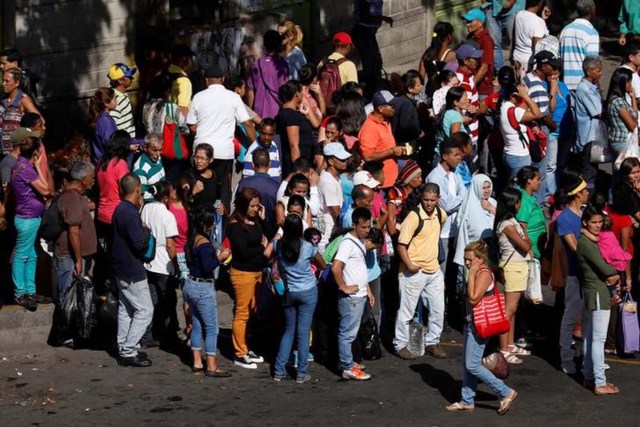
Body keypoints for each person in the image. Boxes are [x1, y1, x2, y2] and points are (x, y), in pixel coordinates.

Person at [446, 240, 518, 415]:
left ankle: (505, 391)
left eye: (470, 259)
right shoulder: (477, 271)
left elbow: (473, 298)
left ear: (480, 259)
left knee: (472, 364)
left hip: (480, 325)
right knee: (467, 363)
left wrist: (471, 274)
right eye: (465, 259)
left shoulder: (483, 274)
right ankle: (467, 400)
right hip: (472, 323)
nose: (467, 263)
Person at [187, 64, 255, 213]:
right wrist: (255, 144)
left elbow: (192, 126)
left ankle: (199, 219)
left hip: (202, 152)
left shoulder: (198, 97)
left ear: (206, 80)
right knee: (224, 189)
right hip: (224, 153)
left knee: (199, 186)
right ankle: (222, 226)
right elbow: (248, 123)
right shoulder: (233, 97)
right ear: (223, 79)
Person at [269, 213, 326, 383]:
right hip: (308, 291)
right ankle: (301, 373)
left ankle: (279, 370)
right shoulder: (308, 246)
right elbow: (322, 264)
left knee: (288, 331)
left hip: (288, 292)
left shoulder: (278, 245)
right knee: (303, 333)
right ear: (301, 229)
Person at [393, 183, 448, 359]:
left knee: (438, 308)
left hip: (433, 270)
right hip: (415, 271)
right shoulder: (413, 217)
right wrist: (409, 265)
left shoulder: (441, 214)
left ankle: (433, 341)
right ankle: (400, 344)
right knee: (406, 311)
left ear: (438, 199)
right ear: (421, 198)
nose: (429, 204)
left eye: (433, 200)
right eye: (426, 200)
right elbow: (401, 245)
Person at [227, 187, 273, 369]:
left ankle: (245, 347)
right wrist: (263, 248)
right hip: (242, 274)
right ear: (244, 205)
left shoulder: (256, 221)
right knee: (242, 313)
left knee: (251, 312)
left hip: (257, 272)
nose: (256, 209)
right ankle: (239, 353)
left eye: (257, 205)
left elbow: (271, 235)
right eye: (253, 206)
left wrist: (263, 218)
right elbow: (243, 251)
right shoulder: (234, 225)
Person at [183, 206, 232, 377]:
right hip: (203, 287)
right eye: (211, 222)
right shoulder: (204, 244)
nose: (213, 226)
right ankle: (211, 365)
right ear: (205, 224)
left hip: (190, 285)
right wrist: (221, 257)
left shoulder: (192, 239)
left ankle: (197, 362)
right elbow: (208, 266)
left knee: (196, 325)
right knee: (211, 328)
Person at [576, 206, 620, 395]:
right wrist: (616, 275)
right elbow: (605, 268)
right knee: (598, 339)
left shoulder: (587, 239)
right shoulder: (586, 243)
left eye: (600, 222)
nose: (597, 226)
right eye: (593, 222)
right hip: (598, 293)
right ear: (585, 222)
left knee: (589, 337)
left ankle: (589, 377)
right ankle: (600, 382)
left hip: (590, 291)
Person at [111, 173, 154, 367]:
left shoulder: (120, 209)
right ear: (137, 190)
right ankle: (128, 350)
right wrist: (146, 230)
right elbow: (138, 243)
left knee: (127, 309)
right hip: (131, 269)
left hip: (121, 267)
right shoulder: (128, 212)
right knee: (145, 310)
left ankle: (124, 347)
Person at [332, 207, 374, 380]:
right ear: (354, 225)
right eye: (363, 227)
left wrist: (368, 290)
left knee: (351, 331)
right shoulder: (347, 243)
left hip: (360, 295)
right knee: (347, 333)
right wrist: (343, 286)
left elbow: (360, 268)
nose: (367, 230)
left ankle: (347, 361)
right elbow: (336, 267)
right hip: (352, 298)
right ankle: (347, 367)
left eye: (368, 227)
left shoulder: (358, 242)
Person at [10, 137, 51, 310]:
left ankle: (30, 290)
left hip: (31, 217)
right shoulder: (26, 169)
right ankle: (20, 293)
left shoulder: (19, 165)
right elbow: (46, 189)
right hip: (27, 219)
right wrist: (38, 166)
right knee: (22, 255)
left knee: (32, 255)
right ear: (35, 152)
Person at [494, 187, 532, 364]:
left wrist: (526, 238)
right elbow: (525, 245)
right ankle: (503, 348)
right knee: (508, 310)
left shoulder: (510, 221)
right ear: (514, 203)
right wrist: (527, 239)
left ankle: (509, 344)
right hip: (513, 267)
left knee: (513, 308)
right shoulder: (508, 225)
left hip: (518, 267)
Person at [140, 181, 179, 348]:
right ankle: (167, 335)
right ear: (165, 197)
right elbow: (170, 243)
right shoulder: (168, 215)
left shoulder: (146, 209)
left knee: (150, 302)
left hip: (147, 263)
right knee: (168, 301)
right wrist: (175, 264)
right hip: (163, 265)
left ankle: (147, 336)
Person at [52, 161, 97, 298]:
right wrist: (78, 260)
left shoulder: (76, 196)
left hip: (75, 258)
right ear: (84, 180)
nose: (94, 181)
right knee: (68, 298)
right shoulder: (72, 198)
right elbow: (73, 231)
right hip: (69, 258)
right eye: (92, 177)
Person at [523, 50, 560, 202]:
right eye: (551, 66)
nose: (554, 69)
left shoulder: (529, 78)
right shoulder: (538, 86)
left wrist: (552, 87)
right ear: (543, 66)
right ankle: (537, 204)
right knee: (540, 173)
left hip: (532, 129)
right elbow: (546, 115)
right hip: (540, 131)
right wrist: (554, 126)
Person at [427, 138, 467, 273]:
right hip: (442, 233)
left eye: (460, 155)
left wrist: (459, 198)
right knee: (441, 273)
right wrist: (461, 197)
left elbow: (465, 194)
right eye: (455, 155)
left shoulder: (455, 175)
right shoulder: (435, 177)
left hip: (456, 230)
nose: (459, 158)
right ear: (445, 156)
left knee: (454, 273)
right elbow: (447, 206)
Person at [358, 90, 405, 189]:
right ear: (380, 108)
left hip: (391, 179)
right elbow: (368, 157)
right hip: (380, 184)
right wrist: (392, 151)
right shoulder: (370, 128)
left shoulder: (386, 121)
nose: (394, 108)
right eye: (391, 106)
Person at [497, 79, 542, 179]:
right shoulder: (513, 111)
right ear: (513, 96)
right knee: (518, 188)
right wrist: (526, 96)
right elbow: (537, 114)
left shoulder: (504, 107)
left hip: (510, 153)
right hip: (519, 156)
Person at [454, 174, 496, 269]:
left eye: (488, 187)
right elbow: (461, 224)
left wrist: (491, 209)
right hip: (474, 250)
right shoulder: (469, 205)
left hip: (492, 248)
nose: (487, 191)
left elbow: (501, 221)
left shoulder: (493, 202)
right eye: (483, 188)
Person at [352, 0, 393, 97]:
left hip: (370, 32)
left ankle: (372, 88)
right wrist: (383, 18)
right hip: (364, 32)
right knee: (370, 66)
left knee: (375, 63)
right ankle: (366, 89)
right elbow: (366, 14)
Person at [96, 131, 131, 244]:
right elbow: (124, 189)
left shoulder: (101, 162)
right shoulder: (120, 164)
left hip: (102, 212)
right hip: (116, 213)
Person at [276, 80, 316, 177]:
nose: (303, 94)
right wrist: (298, 172)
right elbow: (293, 145)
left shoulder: (287, 113)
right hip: (298, 166)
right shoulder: (290, 115)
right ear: (297, 94)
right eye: (301, 91)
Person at [247, 30, 290, 119]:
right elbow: (284, 91)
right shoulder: (282, 65)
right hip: (276, 112)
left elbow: (250, 91)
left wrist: (250, 114)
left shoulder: (256, 64)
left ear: (265, 44)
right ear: (279, 44)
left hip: (258, 113)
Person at [1, 68, 43, 157]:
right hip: (3, 153)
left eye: (7, 81)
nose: (3, 84)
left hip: (17, 155)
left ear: (17, 83)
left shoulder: (23, 100)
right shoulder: (3, 100)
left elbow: (40, 121)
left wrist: (29, 139)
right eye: (3, 80)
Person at [574, 56, 603, 185]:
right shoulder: (584, 89)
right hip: (587, 138)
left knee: (593, 171)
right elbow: (598, 111)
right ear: (589, 72)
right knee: (589, 173)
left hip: (592, 136)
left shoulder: (591, 86)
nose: (600, 73)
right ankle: (585, 199)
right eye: (598, 71)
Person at [559, 0, 599, 91]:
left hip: (564, 84)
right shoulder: (591, 32)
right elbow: (592, 64)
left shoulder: (565, 30)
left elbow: (560, 56)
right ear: (592, 12)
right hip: (583, 85)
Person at [318, 143, 351, 250]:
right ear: (331, 161)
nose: (346, 161)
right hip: (329, 236)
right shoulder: (328, 181)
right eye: (342, 159)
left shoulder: (336, 178)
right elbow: (336, 213)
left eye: (346, 159)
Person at [237, 148, 280, 226]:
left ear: (252, 165)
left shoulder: (243, 183)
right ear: (270, 164)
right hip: (268, 229)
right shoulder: (276, 187)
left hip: (246, 228)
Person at [454, 44, 483, 147]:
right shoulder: (464, 83)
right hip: (469, 135)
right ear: (466, 61)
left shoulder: (466, 76)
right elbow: (466, 112)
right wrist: (478, 109)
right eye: (474, 58)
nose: (477, 60)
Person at [512, 0, 548, 80]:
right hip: (529, 61)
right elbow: (538, 46)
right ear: (540, 3)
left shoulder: (519, 14)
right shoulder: (538, 21)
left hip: (517, 57)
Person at [463, 8, 495, 99]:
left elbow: (485, 67)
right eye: (466, 22)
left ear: (480, 23)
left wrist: (471, 84)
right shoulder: (470, 37)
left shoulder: (486, 41)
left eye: (470, 21)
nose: (467, 24)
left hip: (482, 90)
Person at [606, 67, 638, 157]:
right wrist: (634, 121)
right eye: (629, 82)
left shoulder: (619, 99)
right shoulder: (618, 101)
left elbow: (635, 115)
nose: (631, 85)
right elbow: (632, 125)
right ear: (622, 82)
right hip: (622, 142)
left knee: (619, 168)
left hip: (620, 142)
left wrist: (633, 98)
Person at [515, 166, 547, 258]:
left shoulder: (530, 197)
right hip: (532, 248)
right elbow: (522, 227)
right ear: (529, 180)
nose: (540, 182)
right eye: (538, 179)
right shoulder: (524, 200)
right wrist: (529, 250)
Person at [483, 0, 524, 71]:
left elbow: (508, 4)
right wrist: (485, 6)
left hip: (513, 9)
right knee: (494, 44)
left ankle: (519, 72)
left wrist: (510, 2)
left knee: (516, 42)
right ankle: (501, 74)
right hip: (491, 9)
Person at [386, 159, 422, 238]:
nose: (421, 179)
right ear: (408, 179)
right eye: (418, 177)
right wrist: (395, 238)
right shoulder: (395, 194)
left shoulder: (417, 194)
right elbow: (390, 219)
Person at [418, 22, 456, 95]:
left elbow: (421, 77)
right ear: (449, 36)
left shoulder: (427, 54)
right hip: (445, 95)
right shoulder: (452, 56)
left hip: (430, 93)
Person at [434, 86, 469, 161]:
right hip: (450, 159)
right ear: (456, 102)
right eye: (465, 99)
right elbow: (456, 140)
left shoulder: (447, 112)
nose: (467, 101)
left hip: (440, 156)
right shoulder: (455, 115)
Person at [133, 134, 165, 202]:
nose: (158, 154)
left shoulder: (157, 158)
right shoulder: (141, 170)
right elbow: (142, 197)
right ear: (145, 148)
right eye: (155, 150)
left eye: (160, 150)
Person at [88, 88, 118, 164]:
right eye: (114, 99)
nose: (116, 102)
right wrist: (127, 147)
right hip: (107, 164)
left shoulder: (101, 118)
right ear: (106, 103)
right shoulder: (105, 121)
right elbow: (110, 143)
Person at [107, 63, 137, 137]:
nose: (132, 78)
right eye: (129, 76)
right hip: (125, 144)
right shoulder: (116, 100)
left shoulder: (120, 95)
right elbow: (112, 126)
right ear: (120, 80)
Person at [167, 44, 194, 118]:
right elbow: (183, 109)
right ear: (185, 60)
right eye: (191, 58)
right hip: (172, 126)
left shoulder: (162, 74)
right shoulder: (183, 81)